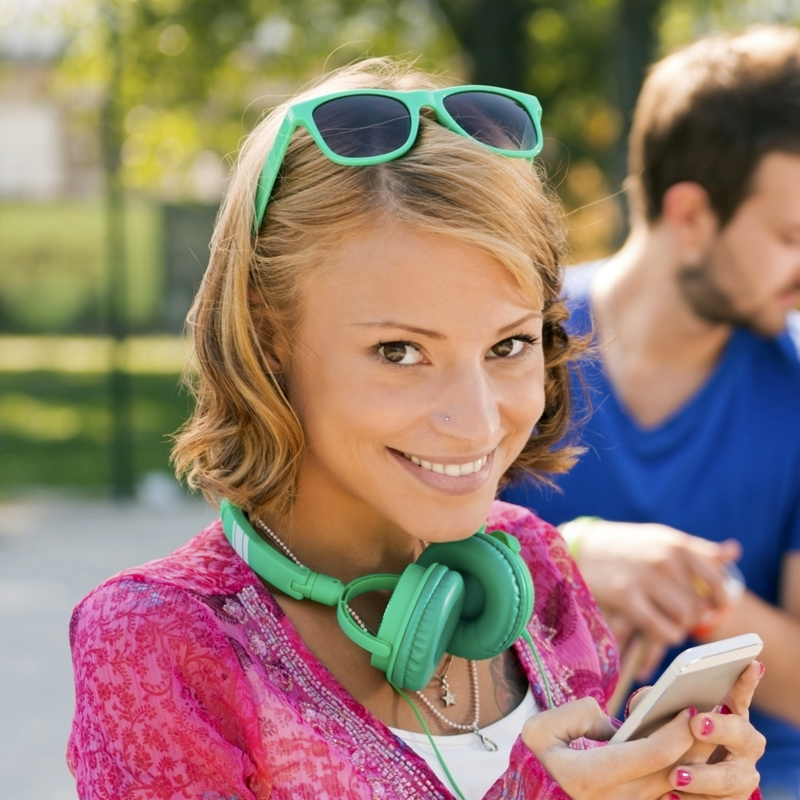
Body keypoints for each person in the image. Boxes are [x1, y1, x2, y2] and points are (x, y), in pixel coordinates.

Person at [67, 58, 764, 800]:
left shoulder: (535, 564)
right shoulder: (158, 641)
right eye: (400, 352)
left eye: (508, 345)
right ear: (268, 342)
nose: (475, 420)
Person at [501, 25, 800, 800]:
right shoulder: (503, 340)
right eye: (791, 236)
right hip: (522, 767)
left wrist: (701, 596)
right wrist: (565, 559)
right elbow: (380, 587)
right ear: (693, 215)